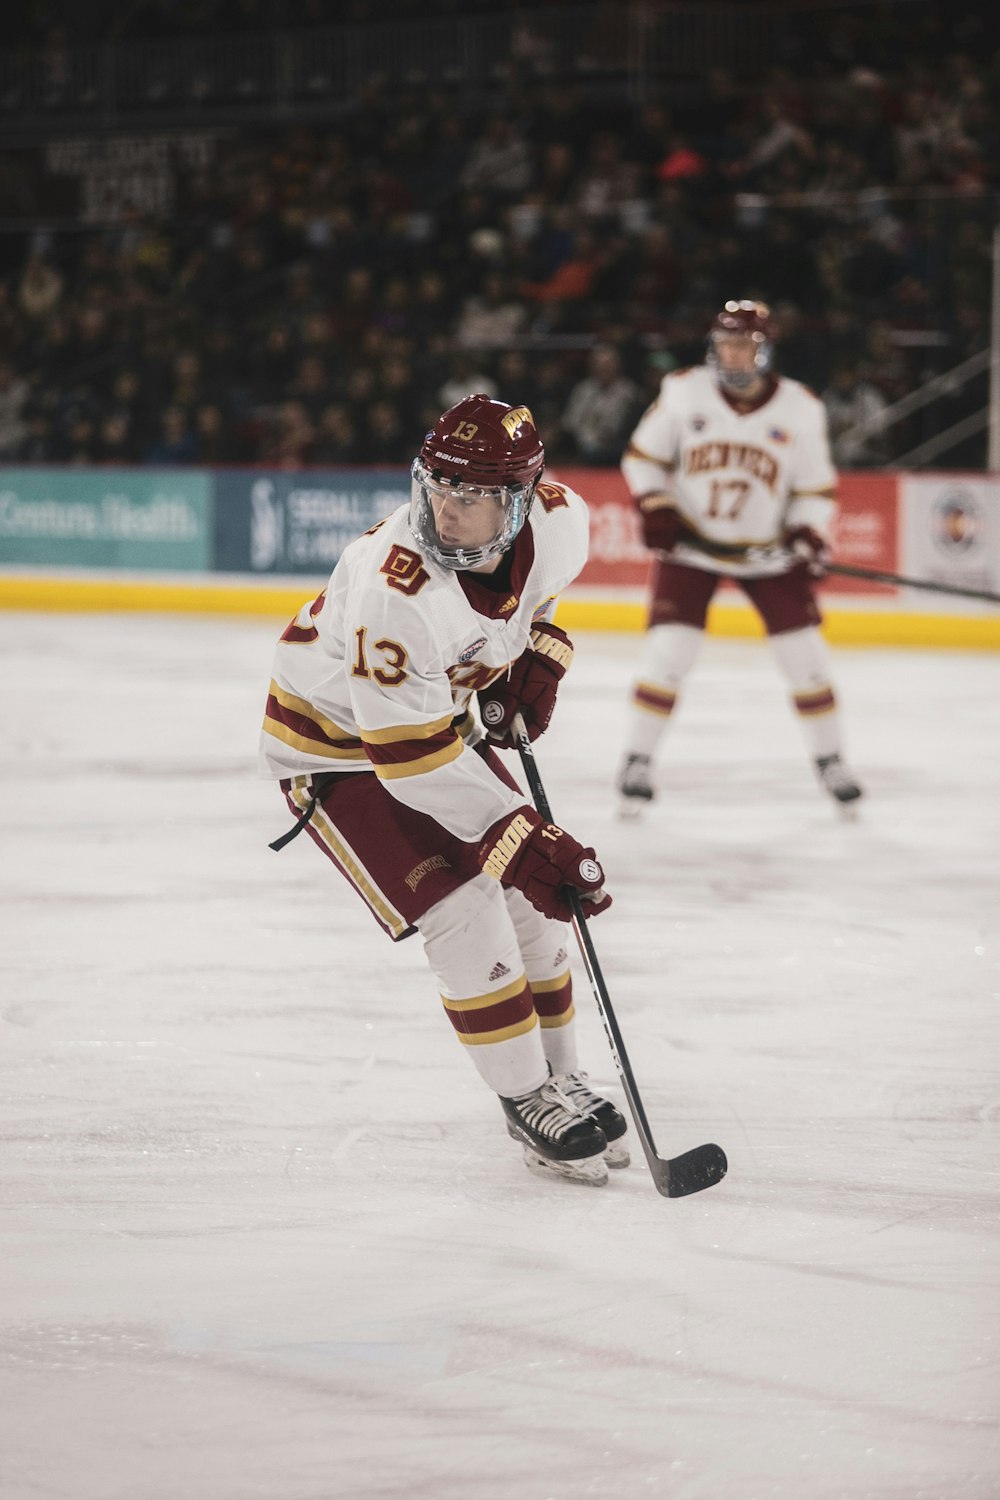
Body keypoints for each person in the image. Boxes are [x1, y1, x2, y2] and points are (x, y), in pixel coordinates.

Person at [260, 394, 628, 1186]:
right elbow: (407, 759)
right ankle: (525, 1096)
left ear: (522, 501)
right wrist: (522, 838)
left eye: (471, 497)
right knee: (464, 909)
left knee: (532, 900)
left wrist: (541, 654)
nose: (444, 511)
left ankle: (563, 1076)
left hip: (424, 729)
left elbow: (539, 595)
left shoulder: (561, 522)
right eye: (436, 487)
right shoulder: (395, 591)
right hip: (336, 747)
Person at [615, 300, 864, 814]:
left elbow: (815, 489)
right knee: (669, 655)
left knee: (808, 663)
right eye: (725, 344)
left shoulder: (800, 407)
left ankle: (831, 760)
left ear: (765, 350)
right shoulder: (683, 391)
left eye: (744, 345)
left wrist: (807, 530)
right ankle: (637, 760)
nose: (732, 355)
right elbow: (643, 459)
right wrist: (657, 506)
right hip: (690, 548)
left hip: (766, 553)